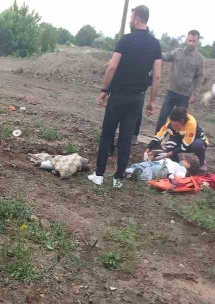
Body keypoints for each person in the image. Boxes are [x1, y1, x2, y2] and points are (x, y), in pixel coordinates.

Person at [88, 5, 162, 189]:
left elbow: (112, 67)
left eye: (131, 17)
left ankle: (99, 175)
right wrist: (152, 101)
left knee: (107, 134)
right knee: (126, 137)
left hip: (119, 95)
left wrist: (104, 90)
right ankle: (118, 178)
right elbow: (157, 76)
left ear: (136, 18)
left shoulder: (126, 40)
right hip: (137, 98)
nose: (130, 20)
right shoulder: (155, 44)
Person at [153, 30, 205, 133]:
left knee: (180, 122)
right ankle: (156, 140)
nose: (191, 43)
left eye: (194, 41)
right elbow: (166, 56)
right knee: (163, 117)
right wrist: (155, 51)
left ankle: (174, 143)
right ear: (186, 39)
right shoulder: (177, 52)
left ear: (197, 42)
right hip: (171, 91)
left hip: (185, 96)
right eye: (190, 40)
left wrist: (194, 94)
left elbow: (200, 78)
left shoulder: (199, 59)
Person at [145, 107, 208, 172]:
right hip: (181, 138)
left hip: (195, 139)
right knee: (170, 144)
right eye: (172, 125)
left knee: (198, 145)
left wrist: (167, 154)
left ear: (182, 121)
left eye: (176, 126)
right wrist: (148, 148)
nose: (174, 128)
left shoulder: (191, 123)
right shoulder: (171, 121)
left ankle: (202, 162)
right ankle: (177, 164)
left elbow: (186, 145)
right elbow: (159, 135)